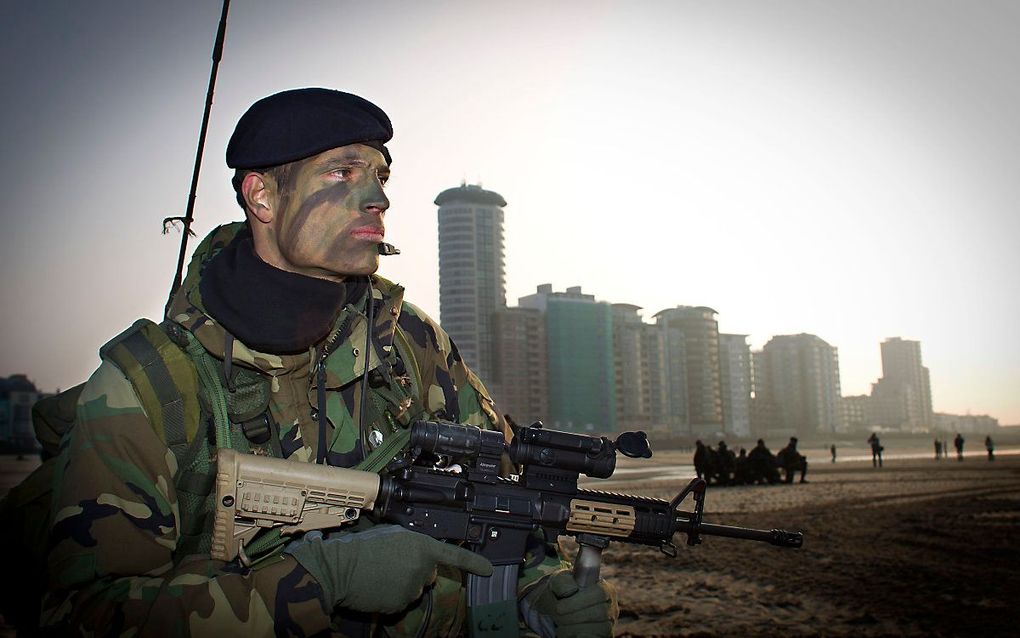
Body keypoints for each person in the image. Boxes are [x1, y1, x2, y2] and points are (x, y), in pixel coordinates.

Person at [40, 89, 617, 636]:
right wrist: (315, 582)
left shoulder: (409, 341)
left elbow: (497, 503)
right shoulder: (153, 384)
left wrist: (538, 598)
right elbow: (82, 612)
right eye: (341, 172)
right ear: (261, 196)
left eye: (381, 175)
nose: (379, 198)